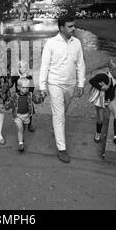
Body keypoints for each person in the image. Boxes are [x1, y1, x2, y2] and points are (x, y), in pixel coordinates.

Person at [39, 14, 86, 163]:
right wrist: (42, 86)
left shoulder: (77, 43)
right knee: (59, 115)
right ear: (61, 28)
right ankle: (62, 149)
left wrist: (80, 84)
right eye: (70, 26)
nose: (74, 28)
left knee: (63, 111)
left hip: (71, 84)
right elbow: (44, 66)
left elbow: (80, 64)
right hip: (55, 83)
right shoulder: (51, 44)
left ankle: (56, 127)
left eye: (74, 25)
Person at [89, 58, 116, 145]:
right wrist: (101, 87)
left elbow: (113, 89)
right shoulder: (104, 76)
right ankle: (98, 133)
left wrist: (111, 98)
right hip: (101, 100)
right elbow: (91, 81)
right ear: (111, 70)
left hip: (110, 99)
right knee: (101, 119)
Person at [6, 78, 44, 153]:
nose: (26, 89)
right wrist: (5, 106)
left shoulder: (30, 95)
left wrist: (42, 97)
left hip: (27, 116)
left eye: (27, 87)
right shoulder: (15, 96)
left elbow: (36, 100)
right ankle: (21, 144)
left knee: (23, 128)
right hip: (18, 116)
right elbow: (10, 104)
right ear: (18, 87)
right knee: (20, 129)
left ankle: (21, 137)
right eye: (23, 87)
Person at [10, 60, 36, 132]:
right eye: (20, 67)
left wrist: (29, 93)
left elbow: (32, 86)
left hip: (27, 95)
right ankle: (20, 123)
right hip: (18, 96)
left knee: (29, 109)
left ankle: (29, 125)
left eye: (24, 67)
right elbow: (10, 84)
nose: (22, 68)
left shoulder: (29, 76)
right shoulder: (15, 76)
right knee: (20, 109)